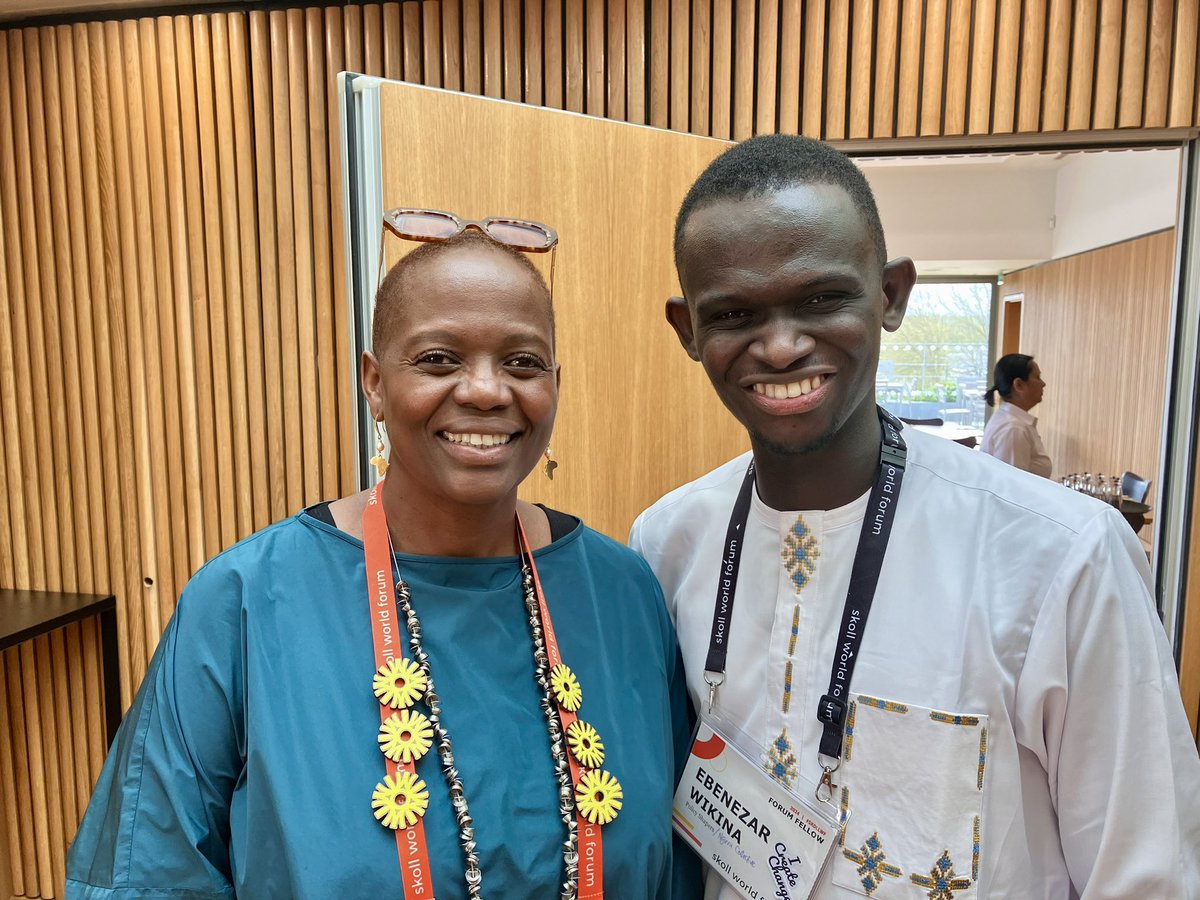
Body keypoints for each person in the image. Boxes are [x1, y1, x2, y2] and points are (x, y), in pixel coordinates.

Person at [630, 135, 1200, 898]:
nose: (782, 345)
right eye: (734, 313)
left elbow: (1148, 873)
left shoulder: (1061, 558)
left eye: (822, 298)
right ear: (687, 329)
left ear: (891, 294)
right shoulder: (669, 544)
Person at [68, 213, 702, 899]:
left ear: (555, 383)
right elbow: (146, 877)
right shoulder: (248, 600)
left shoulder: (622, 594)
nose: (486, 390)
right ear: (373, 381)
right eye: (439, 359)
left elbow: (683, 859)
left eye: (521, 362)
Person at [980, 352, 1052, 477]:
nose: (1043, 384)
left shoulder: (1013, 422)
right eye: (1037, 377)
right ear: (1019, 385)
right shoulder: (1013, 428)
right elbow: (1012, 488)